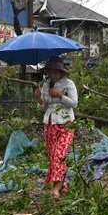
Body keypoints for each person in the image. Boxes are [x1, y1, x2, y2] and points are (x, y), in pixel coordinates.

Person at [34, 56, 78, 199]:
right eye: (50, 72)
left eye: (55, 72)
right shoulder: (46, 84)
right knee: (53, 156)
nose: (52, 75)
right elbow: (45, 106)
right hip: (50, 123)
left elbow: (74, 103)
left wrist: (60, 96)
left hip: (66, 123)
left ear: (61, 72)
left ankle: (56, 189)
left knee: (60, 155)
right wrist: (39, 99)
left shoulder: (68, 84)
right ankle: (62, 184)